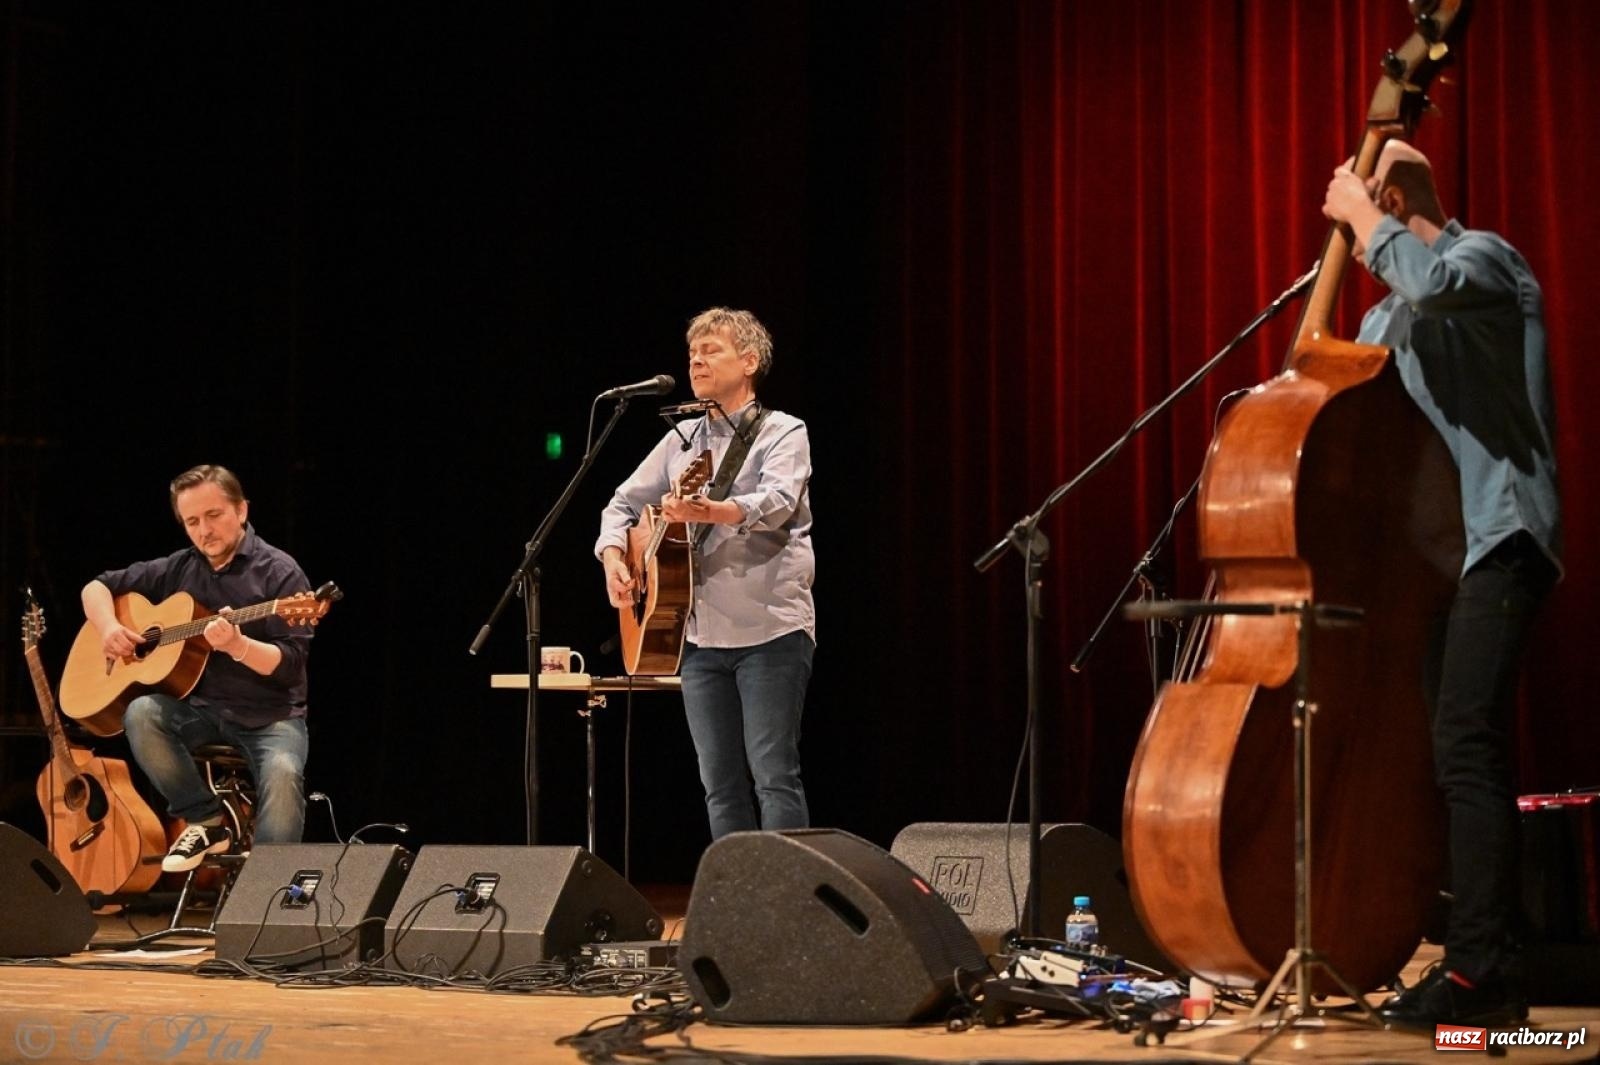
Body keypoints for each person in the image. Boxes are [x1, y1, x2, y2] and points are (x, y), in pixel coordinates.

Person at [1323, 140, 1562, 1027]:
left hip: (1504, 537)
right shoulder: (1386, 316)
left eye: (1373, 213)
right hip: (1433, 564)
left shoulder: (1487, 261)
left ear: (1396, 200)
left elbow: (1431, 284)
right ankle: (1478, 963)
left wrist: (1363, 217)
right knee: (1446, 754)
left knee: (1467, 744)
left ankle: (1481, 977)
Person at [596, 307, 816, 840]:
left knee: (773, 776)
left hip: (771, 631)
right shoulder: (684, 439)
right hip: (698, 639)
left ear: (749, 362)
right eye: (692, 352)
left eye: (711, 350)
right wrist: (614, 558)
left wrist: (711, 510)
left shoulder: (784, 431)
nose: (695, 360)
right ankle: (733, 890)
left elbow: (779, 502)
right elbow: (621, 504)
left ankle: (787, 888)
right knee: (718, 784)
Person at [81, 464, 315, 872]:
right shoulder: (180, 567)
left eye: (214, 515)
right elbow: (96, 586)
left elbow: (290, 665)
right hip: (201, 712)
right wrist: (109, 628)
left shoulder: (280, 573)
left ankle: (265, 886)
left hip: (271, 717)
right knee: (141, 713)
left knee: (283, 773)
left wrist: (238, 646)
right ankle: (204, 820)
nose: (204, 531)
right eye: (192, 522)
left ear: (241, 511)